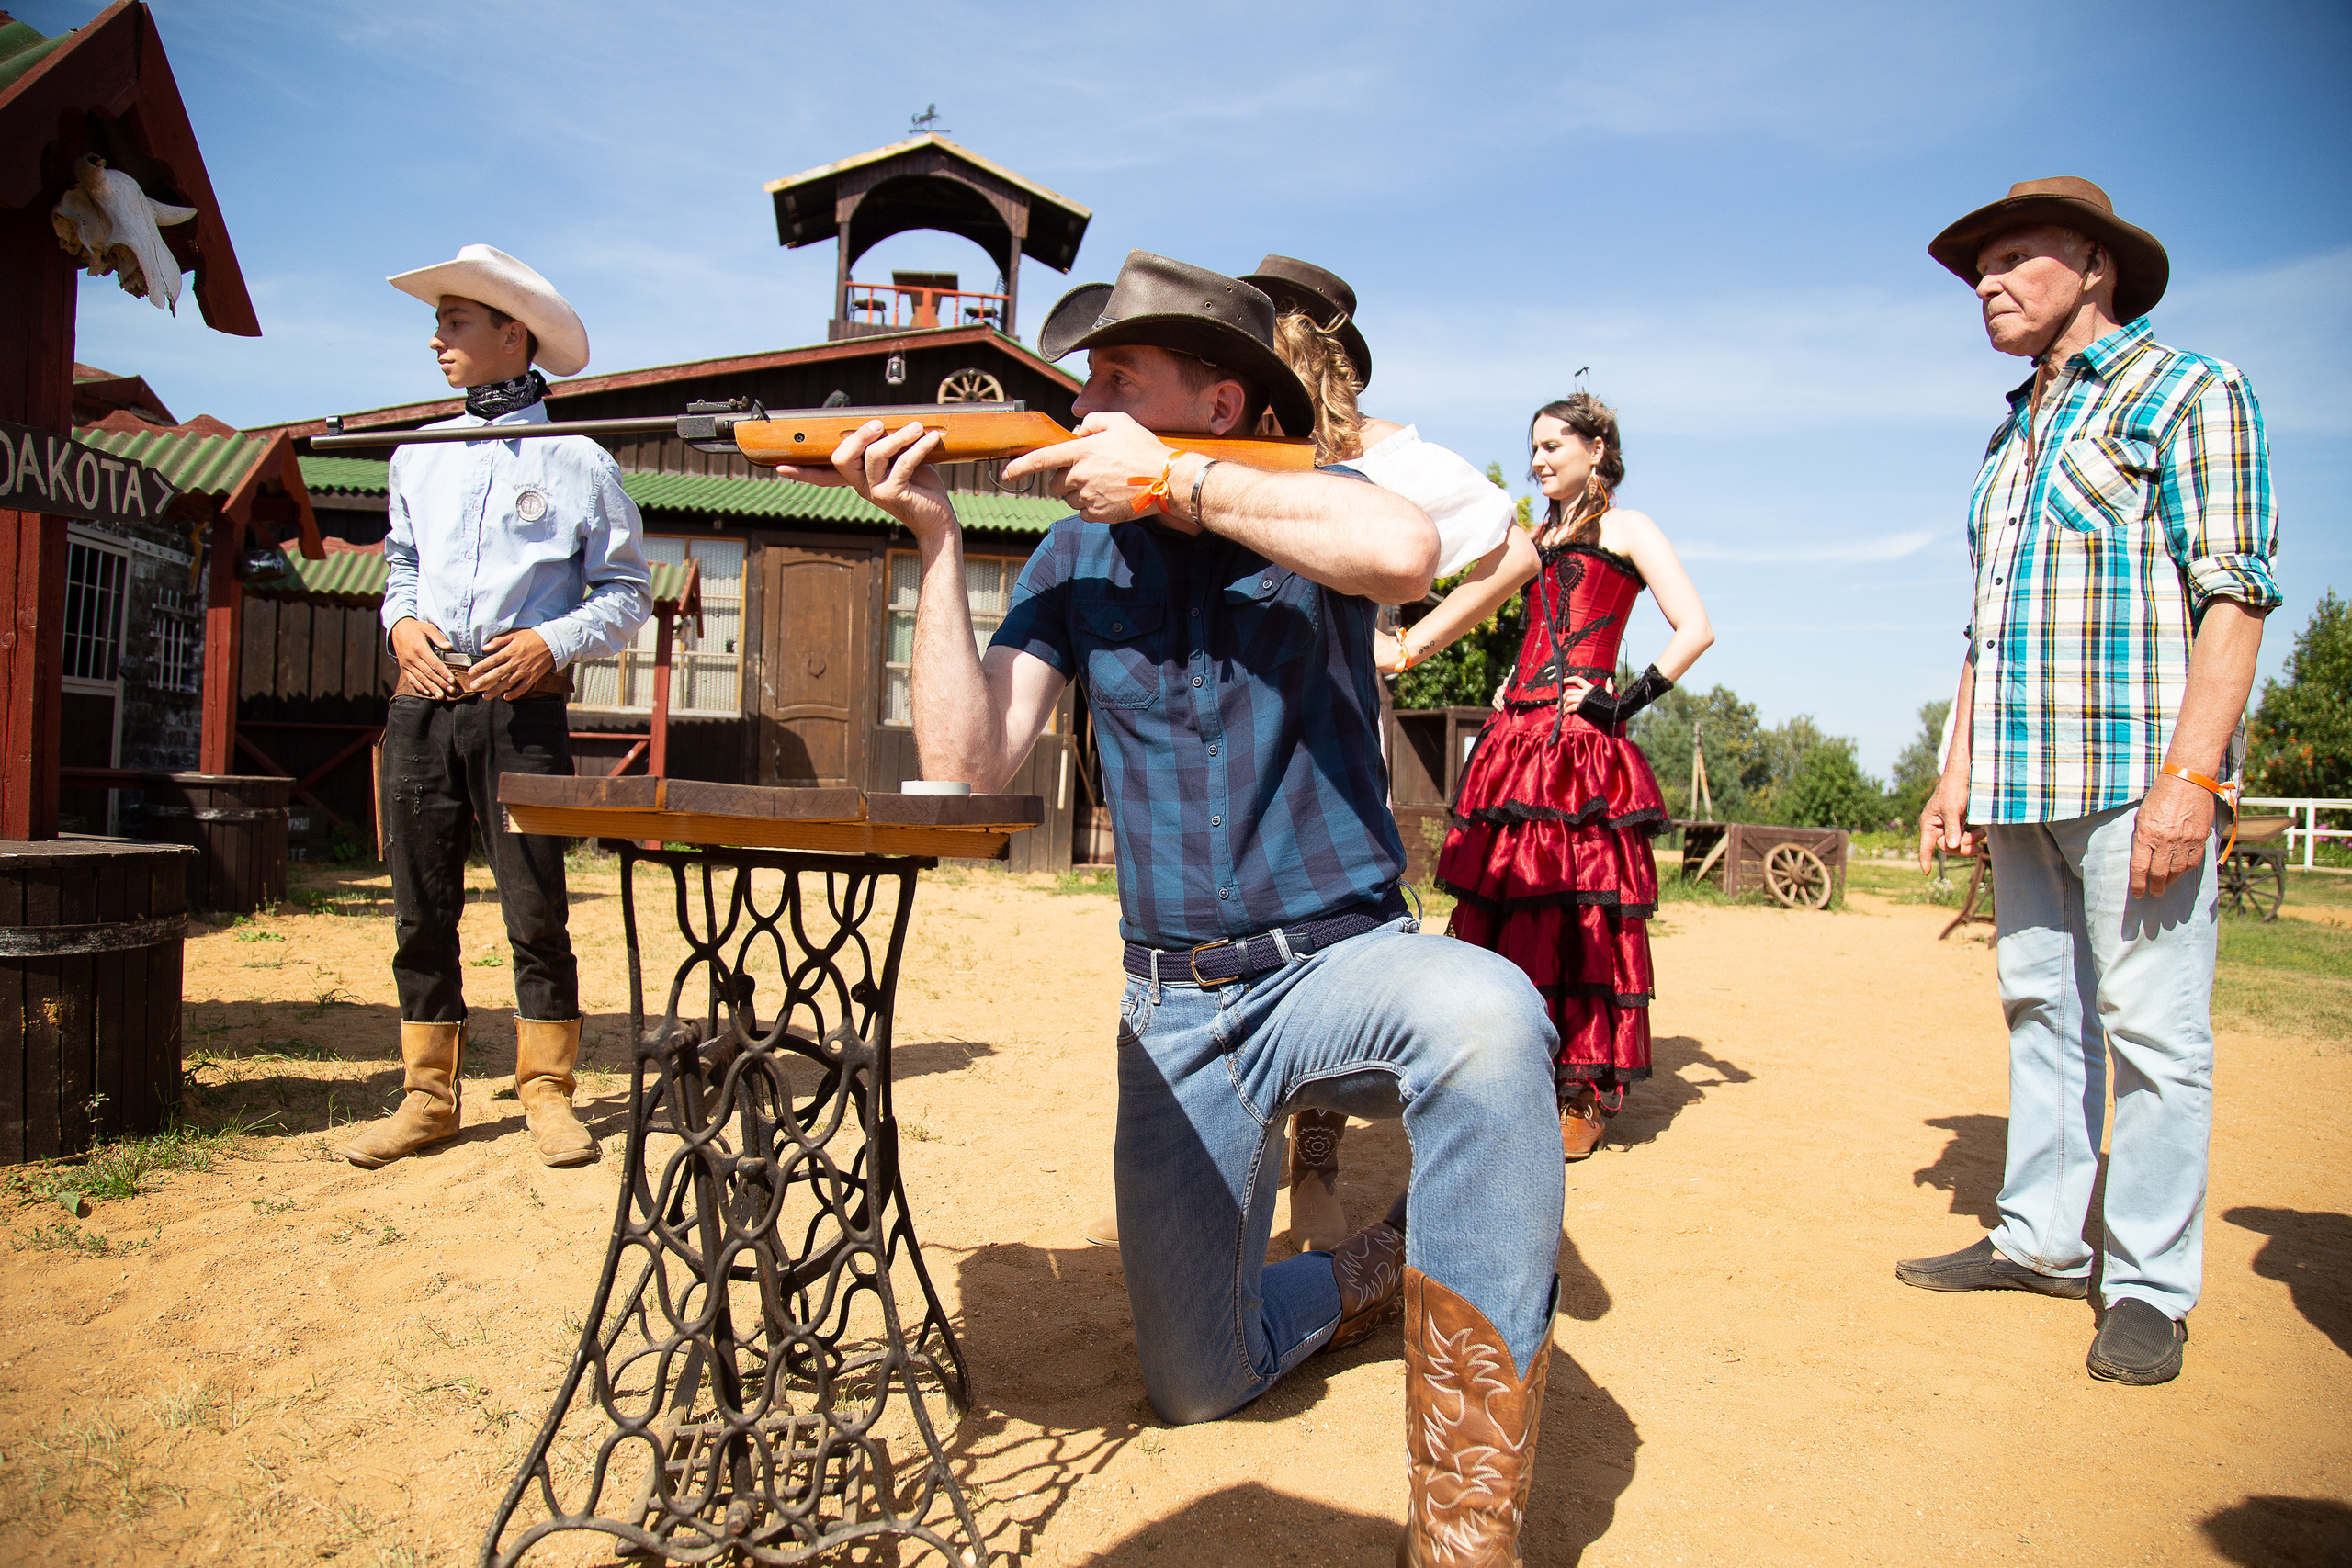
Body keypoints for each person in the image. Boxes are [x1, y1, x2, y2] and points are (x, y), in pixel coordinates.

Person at [786, 250, 1566, 1562]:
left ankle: (1464, 1535)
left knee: (1492, 1016)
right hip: (1175, 1005)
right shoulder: (1075, 554)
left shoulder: (1313, 496)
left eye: (1116, 378)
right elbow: (968, 768)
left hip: (1340, 961)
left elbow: (1408, 549)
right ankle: (1370, 1269)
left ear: (1214, 401)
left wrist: (1186, 489)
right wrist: (932, 539)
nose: (1085, 402)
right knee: (1196, 1379)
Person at [1048, 255, 1534, 1253]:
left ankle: (1313, 1177)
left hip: (1325, 697)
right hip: (1218, 704)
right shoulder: (1153, 480)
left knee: (1329, 914)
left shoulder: (1370, 456)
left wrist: (1412, 642)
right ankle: (1230, 1182)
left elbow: (1500, 552)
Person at [1899, 178, 2278, 1387]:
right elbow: (1985, 624)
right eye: (1978, 270)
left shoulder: (2192, 390)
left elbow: (2233, 592)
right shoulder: (2012, 430)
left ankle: (2150, 1287)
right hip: (2020, 780)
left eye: (2013, 257)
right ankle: (2040, 1237)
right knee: (2039, 1006)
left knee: (2155, 1030)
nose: (1989, 284)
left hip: (2134, 770)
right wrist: (1956, 767)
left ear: (2095, 263)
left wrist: (2193, 775)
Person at [339, 244, 651, 1173]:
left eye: (457, 322)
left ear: (512, 335)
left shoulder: (578, 460)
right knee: (418, 905)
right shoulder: (416, 456)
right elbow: (400, 566)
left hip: (521, 713)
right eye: (438, 323)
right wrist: (400, 629)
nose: (438, 340)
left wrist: (550, 643)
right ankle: (425, 1095)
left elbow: (625, 589)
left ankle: (547, 1092)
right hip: (421, 707)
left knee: (534, 902)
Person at [1409, 393, 1713, 1161]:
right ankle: (1511, 1070)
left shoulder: (1629, 528)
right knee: (1508, 904)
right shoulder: (1530, 536)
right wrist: (1510, 681)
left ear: (1597, 447)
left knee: (1581, 914)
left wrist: (1624, 699)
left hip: (1582, 743)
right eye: (1533, 447)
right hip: (1518, 740)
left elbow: (1696, 627)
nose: (1538, 459)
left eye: (1552, 445)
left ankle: (1585, 1089)